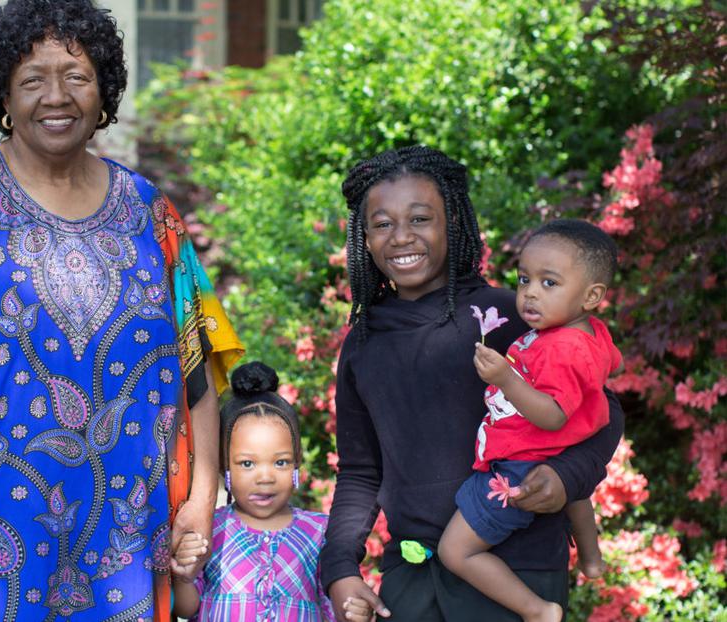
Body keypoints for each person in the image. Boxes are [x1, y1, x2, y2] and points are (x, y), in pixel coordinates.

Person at [0, 1, 243, 620]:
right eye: (33, 79)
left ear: (104, 91)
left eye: (77, 76)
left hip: (134, 536)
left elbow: (197, 370)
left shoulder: (151, 213)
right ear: (4, 96)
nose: (56, 96)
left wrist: (200, 502)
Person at [320, 146, 624, 622]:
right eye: (381, 224)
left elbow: (601, 414)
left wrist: (568, 478)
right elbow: (360, 470)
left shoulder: (511, 319)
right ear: (364, 236)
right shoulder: (364, 345)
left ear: (454, 224)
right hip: (411, 579)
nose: (401, 237)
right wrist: (340, 570)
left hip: (518, 573)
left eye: (421, 218)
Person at [437, 219, 622, 622]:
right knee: (576, 494)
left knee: (455, 551)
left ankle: (537, 610)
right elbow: (606, 371)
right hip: (554, 455)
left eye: (549, 283)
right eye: (524, 280)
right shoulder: (584, 333)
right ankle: (591, 558)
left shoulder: (561, 348)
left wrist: (505, 377)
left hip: (518, 467)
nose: (530, 294)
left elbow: (553, 416)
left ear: (591, 296)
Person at [171, 362, 357, 621]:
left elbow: (334, 607)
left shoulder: (319, 533)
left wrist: (352, 609)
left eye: (280, 462)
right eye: (247, 464)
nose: (266, 477)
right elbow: (186, 608)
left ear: (297, 461)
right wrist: (183, 575)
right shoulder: (209, 528)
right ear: (224, 465)